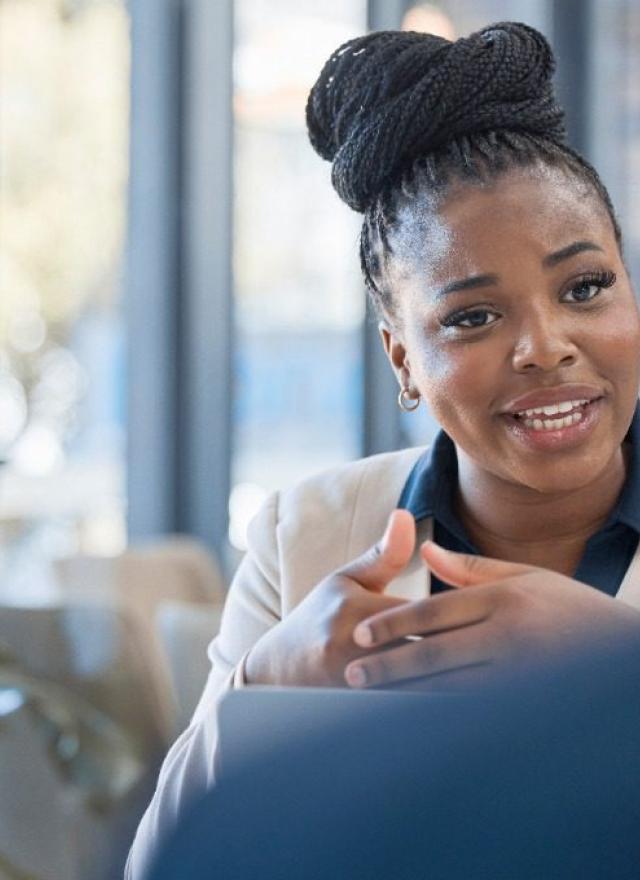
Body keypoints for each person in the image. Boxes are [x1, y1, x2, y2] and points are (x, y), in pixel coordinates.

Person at [126, 21, 640, 879]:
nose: (545, 347)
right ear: (403, 357)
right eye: (473, 316)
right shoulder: (309, 535)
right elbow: (163, 868)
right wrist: (266, 684)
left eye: (586, 287)